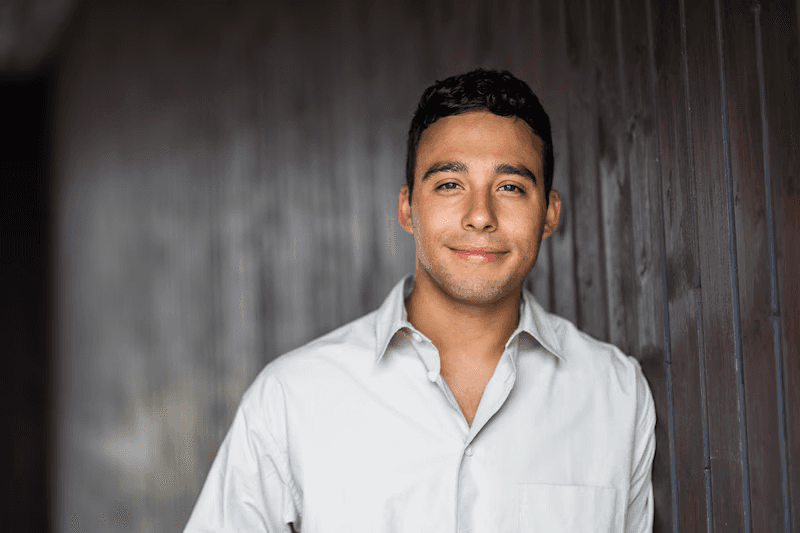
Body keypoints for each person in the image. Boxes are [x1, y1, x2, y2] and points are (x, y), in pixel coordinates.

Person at [184, 68, 656, 532]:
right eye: (450, 184)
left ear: (549, 214)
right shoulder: (291, 399)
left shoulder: (615, 395)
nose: (480, 216)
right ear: (408, 207)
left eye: (510, 187)